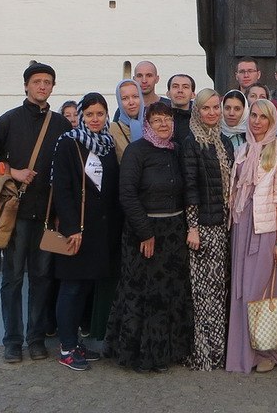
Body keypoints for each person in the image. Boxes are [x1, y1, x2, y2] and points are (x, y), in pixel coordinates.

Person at [0, 62, 70, 363]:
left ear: (53, 87)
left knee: (41, 278)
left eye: (48, 82)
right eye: (37, 81)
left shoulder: (61, 125)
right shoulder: (9, 121)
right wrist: (12, 170)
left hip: (46, 216)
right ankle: (12, 341)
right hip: (14, 215)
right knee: (13, 280)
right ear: (26, 86)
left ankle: (36, 338)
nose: (42, 86)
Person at [107, 101, 192, 373]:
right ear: (147, 124)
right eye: (157, 120)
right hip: (144, 233)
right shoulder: (136, 151)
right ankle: (141, 354)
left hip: (173, 233)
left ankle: (167, 351)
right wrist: (145, 233)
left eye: (167, 119)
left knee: (169, 294)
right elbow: (127, 195)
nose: (164, 124)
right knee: (144, 294)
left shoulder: (176, 150)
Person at [50, 93, 121, 371]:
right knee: (71, 287)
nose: (94, 119)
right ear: (81, 116)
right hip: (76, 231)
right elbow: (63, 190)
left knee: (84, 288)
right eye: (89, 114)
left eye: (100, 114)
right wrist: (70, 228)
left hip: (99, 231)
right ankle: (66, 347)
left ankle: (75, 341)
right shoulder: (69, 144)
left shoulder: (107, 144)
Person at [226, 99, 277, 374]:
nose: (256, 121)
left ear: (271, 121)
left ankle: (267, 351)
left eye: (262, 117)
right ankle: (244, 352)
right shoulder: (242, 150)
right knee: (241, 292)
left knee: (260, 293)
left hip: (265, 231)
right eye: (253, 115)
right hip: (241, 227)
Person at [181, 88, 233, 371]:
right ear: (197, 111)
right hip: (202, 228)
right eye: (206, 108)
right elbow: (190, 187)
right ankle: (203, 355)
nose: (212, 113)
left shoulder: (224, 141)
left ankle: (219, 353)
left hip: (222, 229)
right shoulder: (192, 143)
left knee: (218, 293)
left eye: (216, 108)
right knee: (202, 295)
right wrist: (192, 227)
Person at [110, 79, 144, 163]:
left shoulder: (152, 126)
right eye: (125, 98)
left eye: (135, 96)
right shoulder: (112, 130)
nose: (131, 102)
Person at [168, 74, 196, 145]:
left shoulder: (199, 121)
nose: (180, 90)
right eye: (175, 86)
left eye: (185, 87)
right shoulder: (158, 119)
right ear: (168, 93)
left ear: (193, 94)